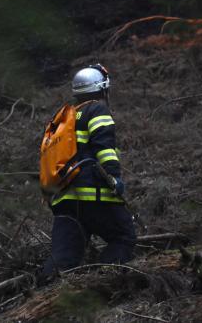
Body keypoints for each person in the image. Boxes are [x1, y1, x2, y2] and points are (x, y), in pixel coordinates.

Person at [39, 64, 136, 283]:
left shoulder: (63, 117)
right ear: (102, 89)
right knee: (124, 238)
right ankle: (101, 283)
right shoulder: (97, 110)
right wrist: (114, 177)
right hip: (94, 196)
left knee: (63, 257)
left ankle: (42, 292)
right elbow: (105, 148)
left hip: (63, 199)